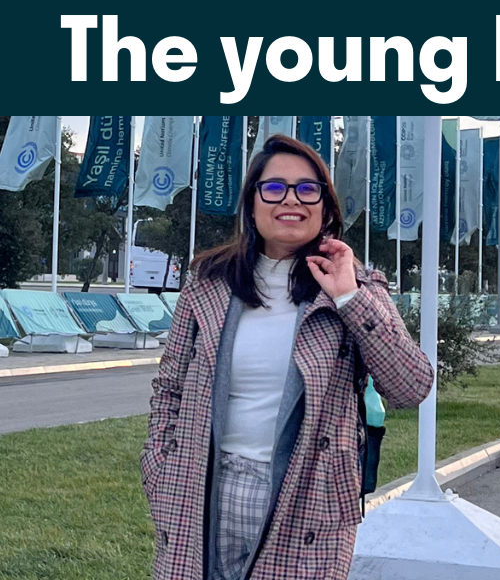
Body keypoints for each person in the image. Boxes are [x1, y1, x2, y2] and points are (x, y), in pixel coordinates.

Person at [142, 135, 433, 580]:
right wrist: (158, 468)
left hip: (307, 498)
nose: (290, 200)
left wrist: (351, 299)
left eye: (307, 188)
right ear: (253, 204)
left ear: (326, 207)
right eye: (274, 188)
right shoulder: (208, 282)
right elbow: (170, 386)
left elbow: (410, 387)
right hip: (201, 487)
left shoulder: (356, 286)